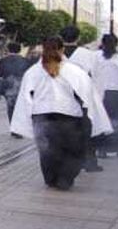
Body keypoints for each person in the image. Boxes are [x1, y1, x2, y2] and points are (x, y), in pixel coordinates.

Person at [11, 37, 112, 189]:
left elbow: (25, 97)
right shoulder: (73, 70)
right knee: (71, 149)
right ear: (62, 49)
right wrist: (91, 113)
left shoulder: (33, 72)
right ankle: (65, 178)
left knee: (47, 148)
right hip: (68, 116)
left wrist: (26, 118)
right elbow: (88, 94)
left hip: (42, 116)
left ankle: (51, 178)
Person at [62, 27, 104, 173]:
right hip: (83, 97)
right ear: (78, 38)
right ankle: (89, 162)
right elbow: (96, 76)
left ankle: (68, 160)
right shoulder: (88, 55)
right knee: (86, 128)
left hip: (62, 97)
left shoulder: (55, 53)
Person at [0, 43, 31, 123]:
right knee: (20, 107)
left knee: (10, 107)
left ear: (8, 49)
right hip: (21, 86)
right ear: (19, 50)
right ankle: (19, 125)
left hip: (8, 87)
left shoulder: (3, 61)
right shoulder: (25, 61)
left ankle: (13, 125)